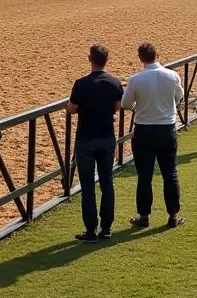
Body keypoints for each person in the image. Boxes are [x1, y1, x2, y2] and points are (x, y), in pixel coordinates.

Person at [122, 43, 184, 229]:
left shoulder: (135, 79)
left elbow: (126, 104)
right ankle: (173, 215)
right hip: (166, 129)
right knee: (170, 173)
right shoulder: (172, 75)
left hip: (144, 130)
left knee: (144, 176)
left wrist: (138, 107)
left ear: (140, 58)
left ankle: (144, 216)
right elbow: (179, 97)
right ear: (157, 54)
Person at [66, 45, 123, 242]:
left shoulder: (81, 84)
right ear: (107, 59)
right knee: (107, 182)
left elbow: (72, 109)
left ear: (89, 58)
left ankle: (90, 230)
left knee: (88, 185)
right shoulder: (115, 83)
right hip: (106, 137)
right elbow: (117, 107)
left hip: (86, 138)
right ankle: (106, 227)